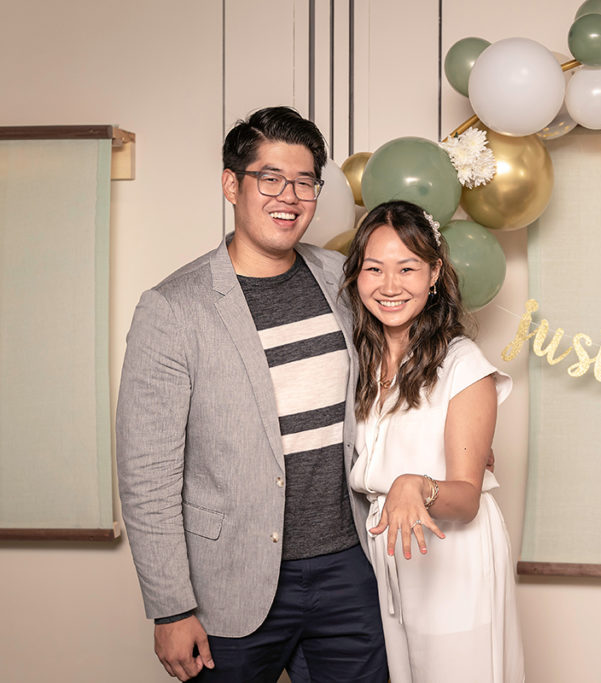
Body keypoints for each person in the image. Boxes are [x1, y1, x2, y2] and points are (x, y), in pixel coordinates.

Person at [116, 106, 387, 682]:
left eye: (305, 181)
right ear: (231, 184)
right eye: (270, 178)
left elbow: (406, 365)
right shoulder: (173, 308)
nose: (288, 196)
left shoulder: (343, 279)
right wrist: (171, 607)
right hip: (229, 583)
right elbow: (147, 473)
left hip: (349, 568)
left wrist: (465, 429)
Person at [341, 199, 525, 683]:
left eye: (407, 268)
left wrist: (415, 484)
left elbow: (465, 498)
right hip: (387, 558)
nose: (389, 285)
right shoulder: (359, 360)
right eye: (374, 269)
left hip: (451, 560)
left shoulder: (462, 364)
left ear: (434, 272)